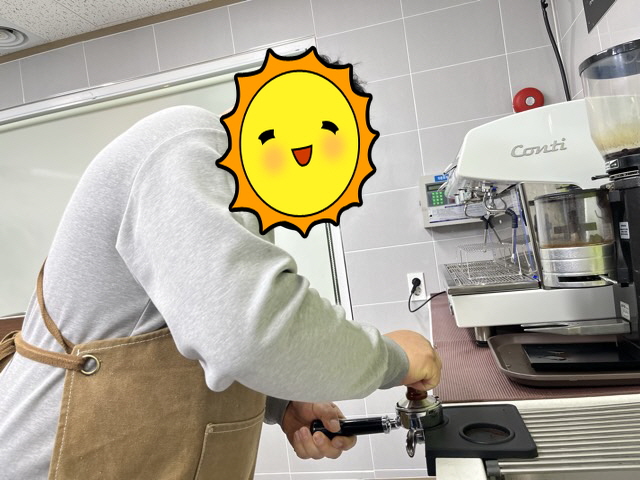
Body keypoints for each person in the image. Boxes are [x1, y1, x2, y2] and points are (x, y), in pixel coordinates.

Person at [0, 104, 441, 479]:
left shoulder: (232, 195)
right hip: (50, 458)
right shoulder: (187, 145)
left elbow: (192, 327)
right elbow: (250, 333)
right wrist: (395, 359)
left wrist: (282, 402)